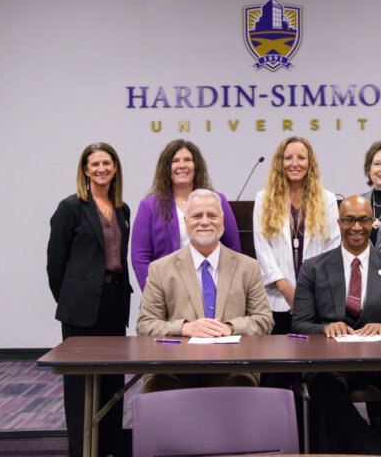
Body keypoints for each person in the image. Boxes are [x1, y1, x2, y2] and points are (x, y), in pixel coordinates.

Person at [292, 195, 381, 455]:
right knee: (323, 389)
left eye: (363, 220)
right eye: (349, 220)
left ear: (374, 223)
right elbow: (300, 324)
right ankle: (377, 451)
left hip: (380, 363)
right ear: (339, 223)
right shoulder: (313, 268)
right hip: (331, 364)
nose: (357, 227)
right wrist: (324, 328)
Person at [136, 188, 274, 392]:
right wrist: (184, 329)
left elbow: (264, 320)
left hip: (232, 370)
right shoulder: (160, 269)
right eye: (197, 215)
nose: (204, 222)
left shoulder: (248, 267)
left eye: (212, 215)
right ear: (185, 220)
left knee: (240, 391)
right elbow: (145, 325)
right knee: (157, 392)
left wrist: (230, 327)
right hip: (173, 370)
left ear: (223, 220)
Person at [46, 142, 132, 457]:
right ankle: (82, 450)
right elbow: (55, 262)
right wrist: (71, 297)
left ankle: (109, 446)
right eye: (94, 164)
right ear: (85, 170)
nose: (101, 169)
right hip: (81, 308)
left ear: (115, 168)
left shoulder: (123, 209)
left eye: (107, 163)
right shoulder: (70, 207)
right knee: (82, 384)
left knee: (112, 380)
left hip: (115, 301)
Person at [253, 136, 340, 335]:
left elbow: (333, 248)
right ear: (279, 162)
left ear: (310, 163)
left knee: (315, 360)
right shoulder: (263, 198)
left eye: (301, 158)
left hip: (317, 298)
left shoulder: (327, 199)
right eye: (288, 158)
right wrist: (285, 289)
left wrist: (307, 292)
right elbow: (262, 247)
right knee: (278, 362)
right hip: (277, 300)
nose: (294, 164)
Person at [132, 139, 240, 291]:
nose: (182, 165)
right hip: (168, 289)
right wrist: (153, 295)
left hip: (213, 287)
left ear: (196, 166)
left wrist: (228, 289)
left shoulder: (217, 200)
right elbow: (140, 258)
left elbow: (233, 249)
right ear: (166, 168)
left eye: (188, 160)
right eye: (175, 161)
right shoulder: (149, 206)